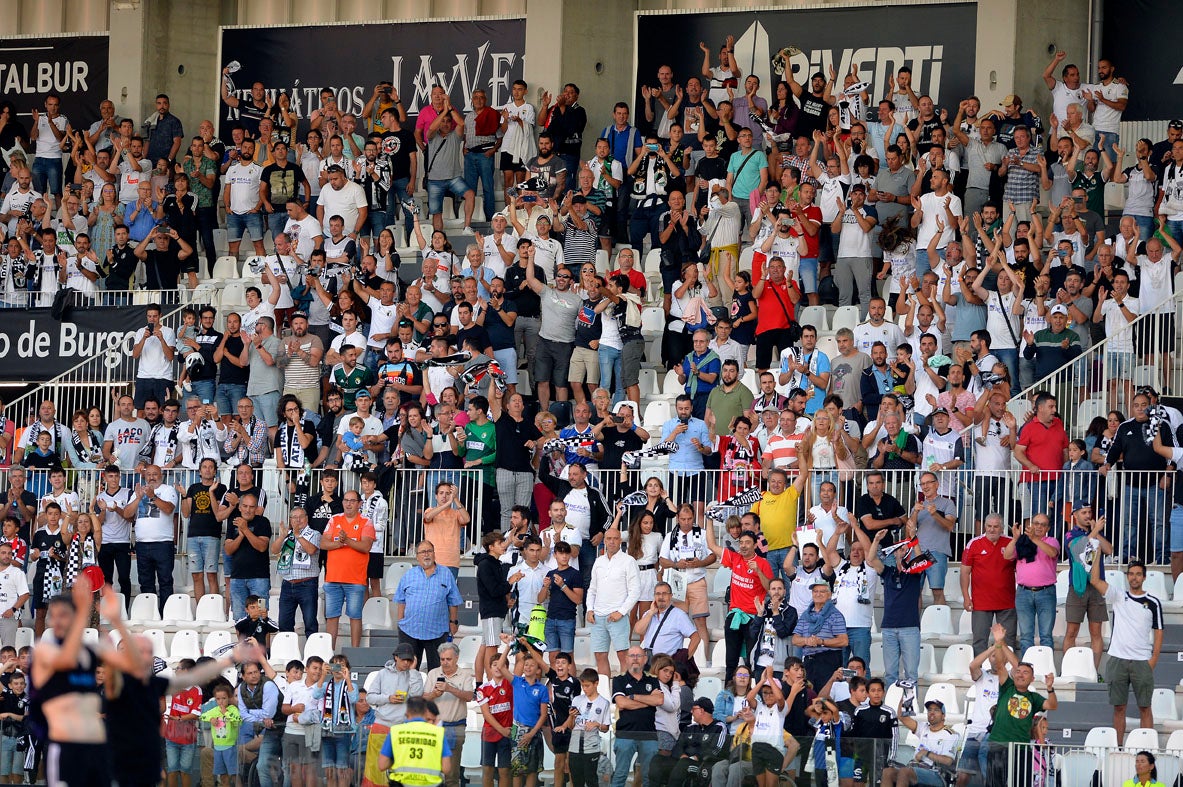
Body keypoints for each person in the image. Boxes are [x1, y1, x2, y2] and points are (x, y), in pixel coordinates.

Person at [29, 578, 138, 787]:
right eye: (54, 616)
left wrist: (117, 622)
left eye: (64, 615)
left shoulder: (89, 652)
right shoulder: (45, 650)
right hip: (64, 747)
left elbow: (135, 666)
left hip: (95, 747)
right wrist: (82, 610)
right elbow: (67, 660)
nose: (57, 621)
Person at [1090, 555, 1162, 743]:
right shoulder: (1118, 595)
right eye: (1131, 574)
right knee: (1118, 708)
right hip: (1117, 660)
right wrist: (1097, 555)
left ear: (1144, 577)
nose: (1134, 577)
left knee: (1145, 708)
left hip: (1142, 661)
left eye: (1138, 574)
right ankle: (1119, 747)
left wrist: (1153, 658)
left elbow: (1159, 631)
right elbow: (1095, 580)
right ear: (1127, 576)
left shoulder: (1153, 603)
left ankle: (1147, 748)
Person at [395, 541, 463, 671]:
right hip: (410, 630)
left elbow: (453, 601)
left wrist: (453, 622)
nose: (426, 555)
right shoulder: (409, 574)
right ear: (417, 556)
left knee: (437, 671)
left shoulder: (446, 573)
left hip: (436, 631)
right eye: (422, 552)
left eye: (429, 551)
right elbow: (401, 600)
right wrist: (400, 622)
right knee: (407, 670)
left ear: (434, 554)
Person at [322, 490, 376, 648]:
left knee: (355, 616)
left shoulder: (366, 522)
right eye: (346, 500)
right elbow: (323, 544)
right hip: (332, 578)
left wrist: (346, 540)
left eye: (353, 501)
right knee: (331, 617)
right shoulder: (334, 519)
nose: (349, 504)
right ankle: (329, 652)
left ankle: (354, 652)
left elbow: (366, 546)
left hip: (355, 580)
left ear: (359, 504)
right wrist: (341, 543)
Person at [960, 513, 1017, 653]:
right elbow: (964, 572)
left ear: (1002, 528)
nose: (992, 530)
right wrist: (966, 597)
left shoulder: (1011, 542)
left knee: (1008, 640)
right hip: (981, 602)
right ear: (984, 526)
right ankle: (980, 672)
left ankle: (1007, 671)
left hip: (1007, 602)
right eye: (989, 526)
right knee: (980, 640)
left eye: (996, 526)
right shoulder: (973, 543)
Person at [586, 529, 640, 676]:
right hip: (598, 616)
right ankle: (604, 692)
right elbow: (592, 589)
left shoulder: (629, 561)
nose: (611, 541)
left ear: (620, 541)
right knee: (600, 656)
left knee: (623, 656)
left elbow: (635, 591)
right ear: (604, 540)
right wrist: (590, 609)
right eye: (608, 538)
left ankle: (623, 693)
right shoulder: (599, 561)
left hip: (618, 616)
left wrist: (621, 612)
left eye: (615, 538)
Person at [424, 642, 476, 787]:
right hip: (434, 727)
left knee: (452, 774)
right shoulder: (433, 673)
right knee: (431, 771)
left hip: (456, 726)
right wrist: (434, 693)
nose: (445, 663)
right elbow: (423, 698)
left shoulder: (465, 675)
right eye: (442, 659)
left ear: (457, 658)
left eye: (448, 659)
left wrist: (449, 688)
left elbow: (469, 696)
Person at [611, 645, 663, 787]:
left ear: (645, 659)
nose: (635, 659)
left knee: (648, 777)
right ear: (626, 659)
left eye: (638, 656)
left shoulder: (653, 680)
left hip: (649, 734)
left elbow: (659, 700)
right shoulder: (619, 680)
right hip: (625, 733)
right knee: (620, 775)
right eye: (632, 656)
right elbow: (622, 703)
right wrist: (648, 701)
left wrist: (633, 697)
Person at [376, 696, 453, 787]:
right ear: (425, 712)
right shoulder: (438, 732)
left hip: (401, 784)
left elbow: (382, 765)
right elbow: (446, 768)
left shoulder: (395, 731)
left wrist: (396, 759)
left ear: (407, 712)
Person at [881, 699, 958, 787]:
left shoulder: (950, 734)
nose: (932, 712)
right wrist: (906, 694)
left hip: (936, 773)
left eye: (936, 710)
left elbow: (948, 761)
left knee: (905, 771)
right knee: (887, 772)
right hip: (915, 767)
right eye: (929, 710)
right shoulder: (924, 728)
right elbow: (902, 717)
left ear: (943, 716)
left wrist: (926, 753)